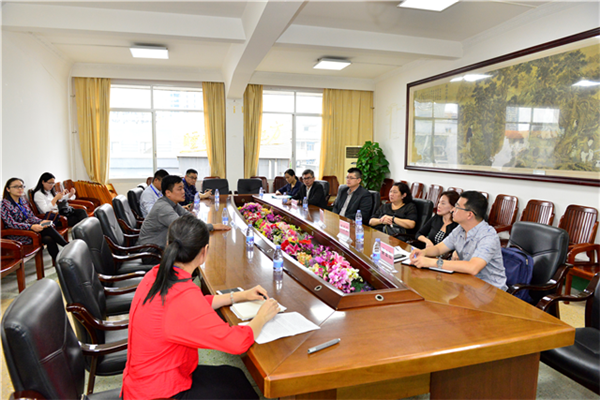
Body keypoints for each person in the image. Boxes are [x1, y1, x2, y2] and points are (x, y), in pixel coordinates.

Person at [122, 214, 280, 399]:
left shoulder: (157, 274)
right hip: (159, 393)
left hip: (147, 379)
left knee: (235, 375)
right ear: (204, 252)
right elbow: (237, 343)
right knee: (242, 392)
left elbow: (195, 305)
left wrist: (240, 296)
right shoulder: (182, 295)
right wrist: (262, 317)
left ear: (168, 244)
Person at [409, 191, 507, 290]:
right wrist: (423, 252)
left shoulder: (488, 236)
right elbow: (439, 249)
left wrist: (432, 262)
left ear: (469, 215)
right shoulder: (460, 229)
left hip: (490, 289)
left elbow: (473, 267)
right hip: (467, 283)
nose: (452, 210)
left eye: (457, 207)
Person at [138, 175, 230, 250]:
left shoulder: (173, 203)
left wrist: (205, 225)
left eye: (183, 188)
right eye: (179, 189)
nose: (183, 192)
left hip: (164, 245)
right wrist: (212, 226)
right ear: (168, 193)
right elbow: (183, 227)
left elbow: (189, 217)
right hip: (152, 251)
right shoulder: (163, 207)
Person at [1, 178, 68, 263]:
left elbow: (31, 217)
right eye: (16, 187)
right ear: (8, 189)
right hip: (18, 234)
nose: (20, 189)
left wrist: (40, 221)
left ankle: (60, 262)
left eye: (21, 186)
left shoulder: (23, 201)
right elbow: (11, 224)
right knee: (48, 229)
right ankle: (68, 247)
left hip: (30, 231)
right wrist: (31, 227)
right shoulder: (4, 205)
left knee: (48, 238)